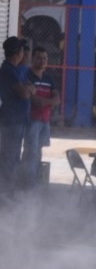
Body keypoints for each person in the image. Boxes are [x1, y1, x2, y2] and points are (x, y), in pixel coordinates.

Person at [0, 36, 35, 199]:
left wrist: (28, 89)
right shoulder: (8, 70)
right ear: (18, 52)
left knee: (14, 157)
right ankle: (6, 193)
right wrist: (27, 90)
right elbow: (23, 93)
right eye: (22, 50)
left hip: (18, 121)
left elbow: (30, 88)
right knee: (9, 158)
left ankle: (8, 191)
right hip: (11, 122)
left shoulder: (16, 70)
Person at [22, 45, 60, 189]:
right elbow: (35, 101)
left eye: (45, 58)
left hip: (45, 121)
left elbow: (57, 99)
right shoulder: (27, 76)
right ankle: (28, 184)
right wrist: (46, 102)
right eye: (39, 58)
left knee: (38, 152)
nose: (42, 61)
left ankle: (34, 182)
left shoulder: (49, 78)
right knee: (30, 152)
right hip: (32, 120)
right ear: (33, 59)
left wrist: (45, 102)